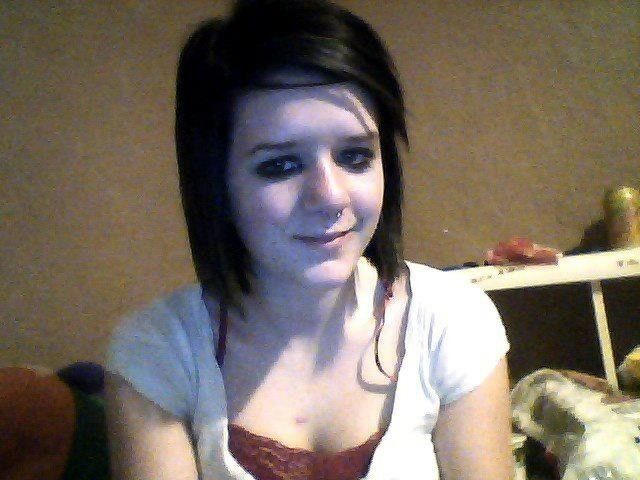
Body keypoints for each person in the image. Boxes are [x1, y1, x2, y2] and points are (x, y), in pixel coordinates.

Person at [105, 1, 513, 479]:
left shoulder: (452, 322)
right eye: (280, 165)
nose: (330, 196)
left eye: (355, 156)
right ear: (215, 183)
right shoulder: (156, 352)